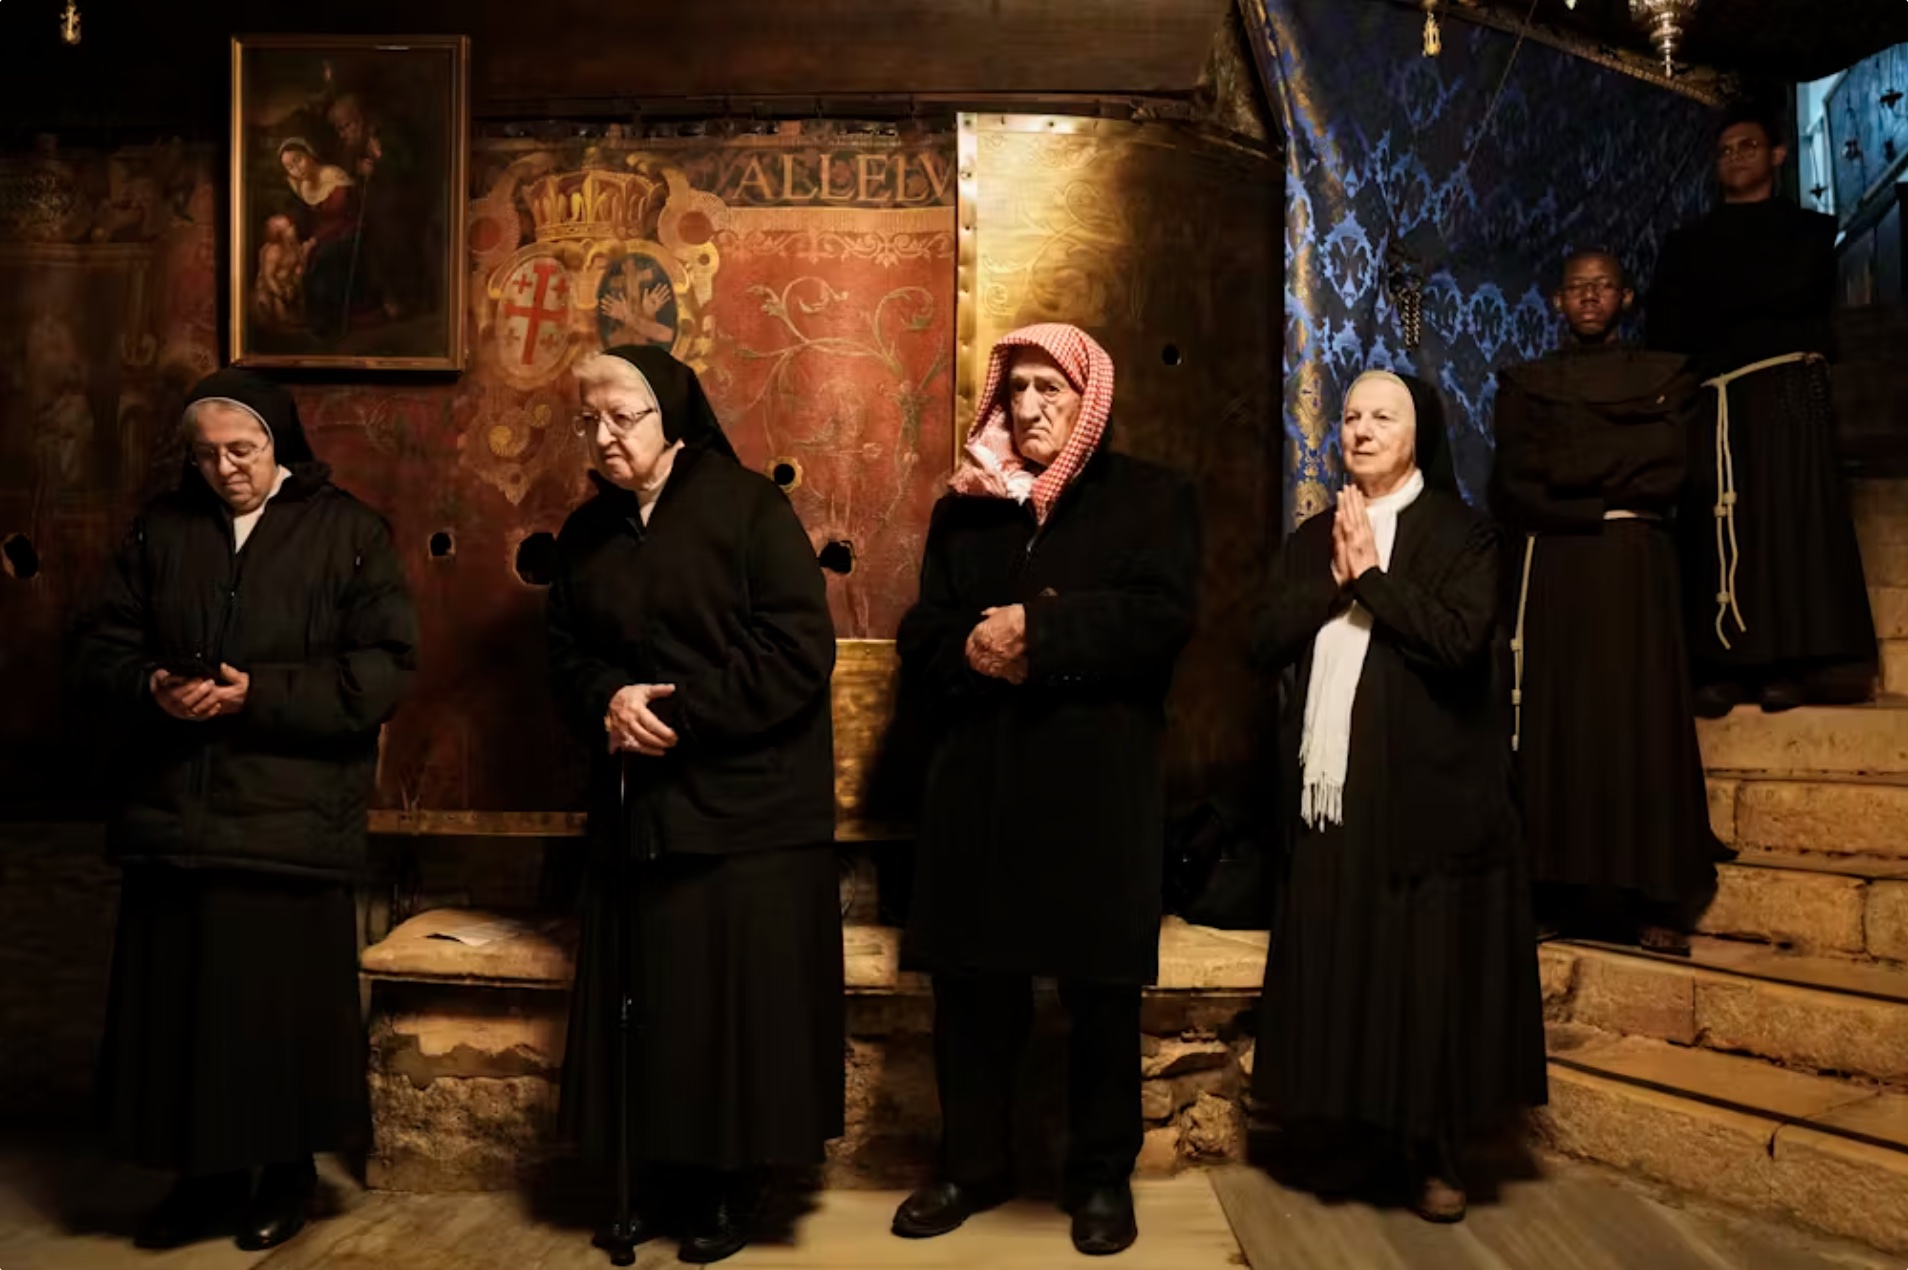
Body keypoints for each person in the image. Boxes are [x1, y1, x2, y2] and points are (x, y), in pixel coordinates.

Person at [67, 368, 418, 1252]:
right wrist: (153, 683)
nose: (226, 469)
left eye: (243, 449)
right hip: (174, 818)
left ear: (280, 445)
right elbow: (97, 645)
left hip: (288, 820)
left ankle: (285, 1177)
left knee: (273, 1014)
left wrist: (255, 694)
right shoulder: (162, 529)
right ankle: (203, 1181)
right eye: (208, 453)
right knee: (182, 1014)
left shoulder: (350, 534)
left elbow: (383, 671)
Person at [891, 323, 1200, 1257]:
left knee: (1101, 997)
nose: (1028, 408)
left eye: (1050, 390)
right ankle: (971, 1165)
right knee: (973, 995)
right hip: (978, 788)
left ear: (1089, 397)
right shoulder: (966, 509)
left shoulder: (1151, 498)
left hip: (1091, 793)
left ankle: (1101, 1177)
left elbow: (1159, 623)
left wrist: (1045, 636)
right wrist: (979, 646)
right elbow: (923, 633)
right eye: (1016, 389)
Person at [547, 346, 843, 1267]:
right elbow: (563, 654)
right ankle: (662, 1172)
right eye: (587, 421)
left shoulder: (750, 508)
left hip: (749, 810)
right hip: (643, 807)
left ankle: (732, 1179)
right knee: (659, 1005)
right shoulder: (587, 533)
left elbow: (799, 652)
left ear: (670, 417)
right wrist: (608, 699)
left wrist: (675, 712)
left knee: (729, 1009)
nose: (602, 438)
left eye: (621, 419)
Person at [1252, 370, 1546, 1223]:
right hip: (1331, 802)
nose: (1362, 429)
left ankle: (1436, 1154)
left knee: (1425, 982)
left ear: (1419, 434)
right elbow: (1263, 639)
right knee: (1346, 971)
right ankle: (1354, 1135)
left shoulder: (1465, 534)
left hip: (1428, 802)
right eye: (1349, 415)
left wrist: (1374, 580)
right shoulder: (1315, 538)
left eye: (1383, 415)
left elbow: (1458, 645)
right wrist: (1337, 581)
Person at [1492, 250, 1728, 953]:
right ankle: (1552, 889)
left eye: (1602, 287)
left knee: (1639, 724)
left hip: (1634, 572)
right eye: (1575, 288)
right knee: (1557, 729)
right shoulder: (1526, 385)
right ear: (1558, 301)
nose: (1589, 297)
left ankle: (1652, 896)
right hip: (1556, 572)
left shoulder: (1668, 376)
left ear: (1626, 298)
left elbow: (1669, 471)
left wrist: (1572, 475)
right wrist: (1609, 481)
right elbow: (1514, 482)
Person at [1647, 102, 1877, 714]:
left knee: (1787, 521)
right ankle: (1721, 666)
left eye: (1747, 146)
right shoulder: (1686, 242)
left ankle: (1789, 665)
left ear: (1777, 155)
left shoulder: (1808, 232)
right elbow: (1670, 322)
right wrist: (1745, 314)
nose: (1735, 158)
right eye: (1724, 151)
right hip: (1715, 397)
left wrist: (1722, 309)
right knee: (1714, 523)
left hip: (1785, 391)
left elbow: (1796, 293)